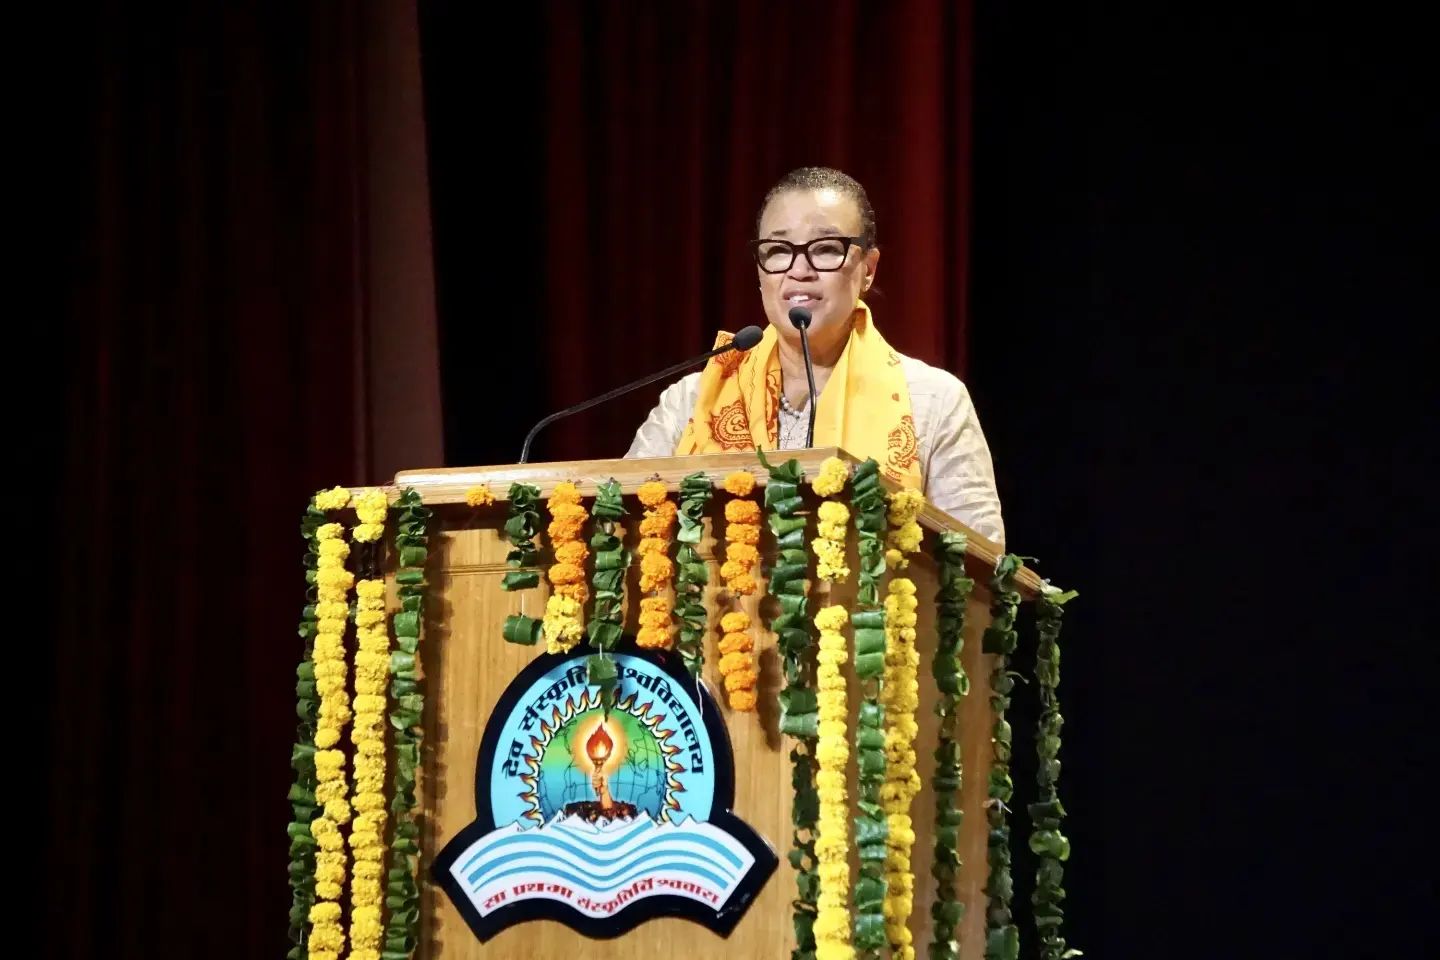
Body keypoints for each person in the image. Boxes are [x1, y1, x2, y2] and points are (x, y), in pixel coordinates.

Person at [625, 167, 1005, 545]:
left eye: (825, 249)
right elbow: (619, 531)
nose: (799, 270)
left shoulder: (933, 401)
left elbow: (978, 567)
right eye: (777, 251)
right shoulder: (690, 401)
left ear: (868, 269)